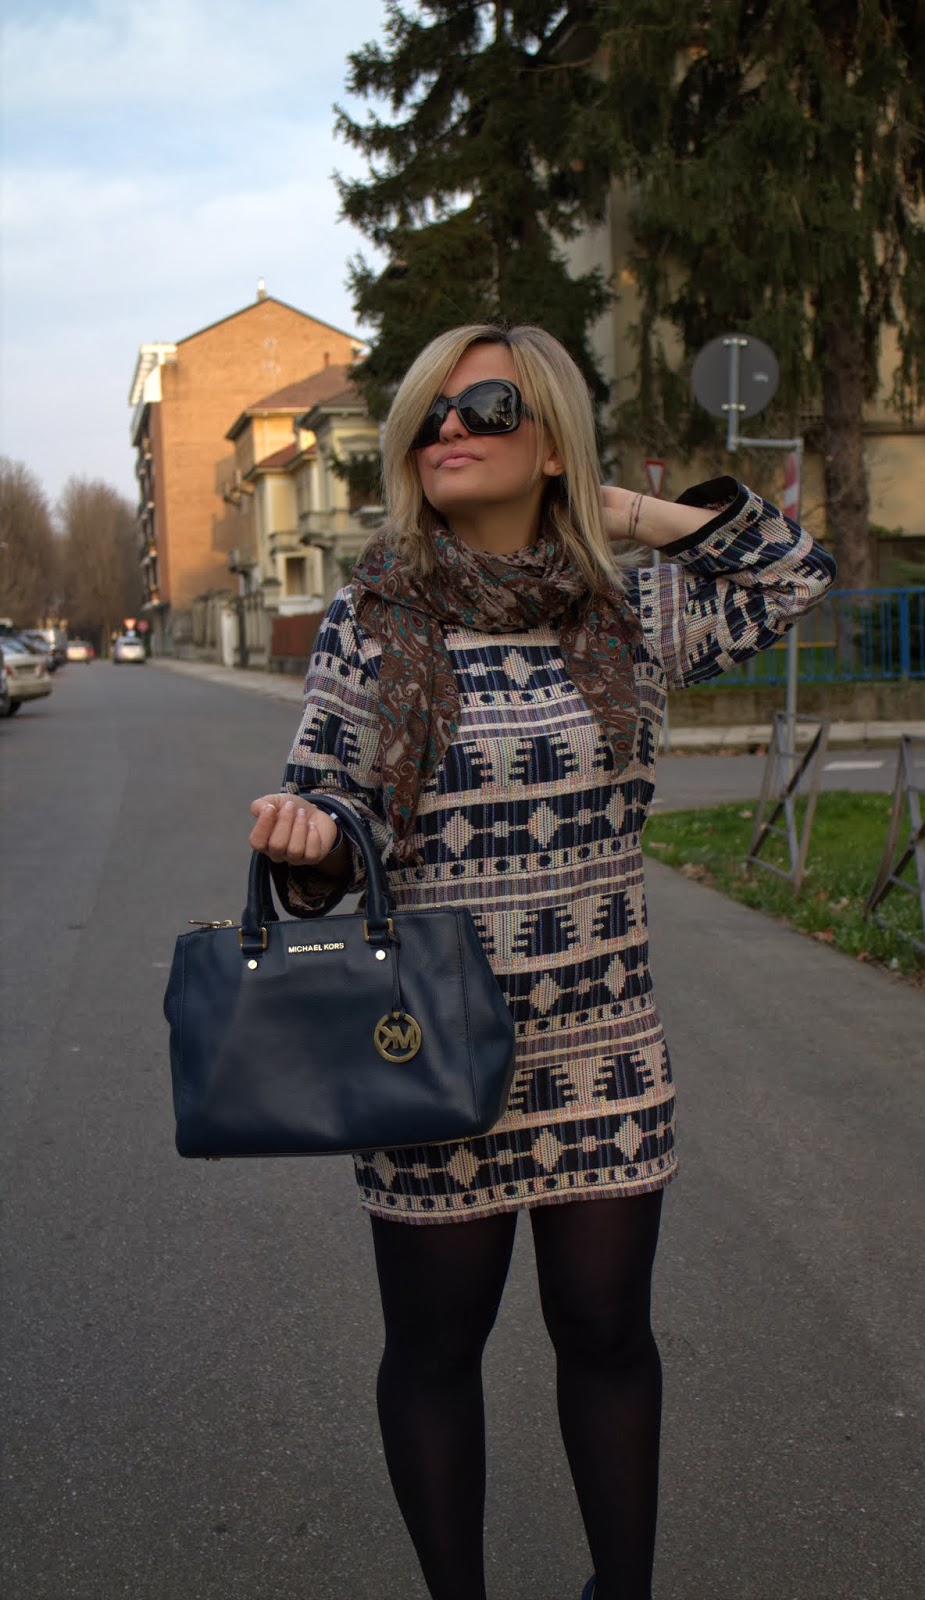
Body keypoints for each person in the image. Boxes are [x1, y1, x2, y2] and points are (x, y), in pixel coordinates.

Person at [248, 323, 836, 1600]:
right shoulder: (370, 620)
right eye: (430, 415)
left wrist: (617, 508)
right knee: (434, 1349)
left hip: (601, 1043)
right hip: (425, 1046)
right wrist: (311, 846)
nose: (449, 430)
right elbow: (331, 816)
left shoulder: (627, 610)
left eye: (489, 408)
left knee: (609, 1336)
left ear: (552, 440)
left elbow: (794, 569)